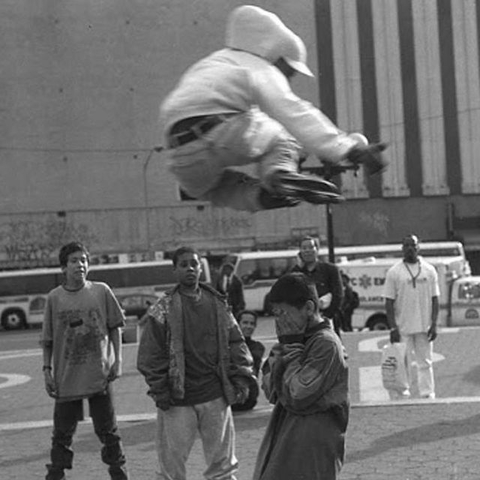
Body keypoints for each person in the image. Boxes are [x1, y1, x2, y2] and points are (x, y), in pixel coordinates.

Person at [160, 5, 387, 212]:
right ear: (275, 55)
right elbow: (293, 111)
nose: (287, 78)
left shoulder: (211, 63)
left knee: (213, 190)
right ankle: (281, 176)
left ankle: (261, 197)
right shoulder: (258, 66)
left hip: (180, 155)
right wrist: (348, 149)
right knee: (285, 138)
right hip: (220, 129)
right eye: (288, 71)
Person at [137, 246, 254, 480]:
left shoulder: (218, 304)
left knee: (223, 466)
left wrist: (241, 377)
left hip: (215, 395)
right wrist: (160, 388)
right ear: (174, 271)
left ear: (201, 269)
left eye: (195, 263)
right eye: (184, 264)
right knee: (171, 468)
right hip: (177, 400)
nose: (190, 268)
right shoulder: (163, 308)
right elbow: (150, 355)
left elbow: (236, 341)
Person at [40, 242, 129, 480]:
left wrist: (117, 361)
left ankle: (119, 473)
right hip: (66, 377)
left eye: (83, 260)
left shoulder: (101, 291)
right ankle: (56, 474)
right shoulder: (54, 298)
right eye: (73, 260)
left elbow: (115, 328)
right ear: (63, 267)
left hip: (99, 375)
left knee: (108, 431)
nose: (80, 265)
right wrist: (46, 371)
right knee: (62, 434)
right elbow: (47, 340)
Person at [253, 273, 349, 480]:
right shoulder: (293, 339)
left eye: (283, 314)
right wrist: (283, 350)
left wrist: (292, 355)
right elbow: (271, 391)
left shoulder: (325, 344)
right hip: (287, 433)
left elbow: (298, 394)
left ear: (308, 308)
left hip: (314, 439)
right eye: (275, 314)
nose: (279, 321)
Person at [384, 234, 440, 399]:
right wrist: (393, 326)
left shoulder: (429, 270)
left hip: (424, 325)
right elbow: (388, 301)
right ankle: (402, 393)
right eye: (406, 246)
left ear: (418, 247)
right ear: (402, 249)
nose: (410, 249)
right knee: (402, 362)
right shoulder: (394, 272)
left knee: (426, 362)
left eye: (413, 245)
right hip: (403, 326)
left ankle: (427, 393)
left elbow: (435, 299)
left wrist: (434, 323)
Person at [291, 236, 344, 335]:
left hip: (327, 320)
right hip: (304, 324)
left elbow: (338, 295)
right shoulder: (296, 273)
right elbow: (290, 295)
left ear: (317, 250)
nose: (307, 251)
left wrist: (326, 316)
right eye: (304, 248)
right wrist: (298, 268)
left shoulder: (330, 270)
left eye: (311, 247)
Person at [231, 310, 266, 411]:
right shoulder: (227, 345)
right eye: (245, 323)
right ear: (237, 324)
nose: (249, 326)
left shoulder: (257, 348)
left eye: (252, 324)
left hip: (249, 398)